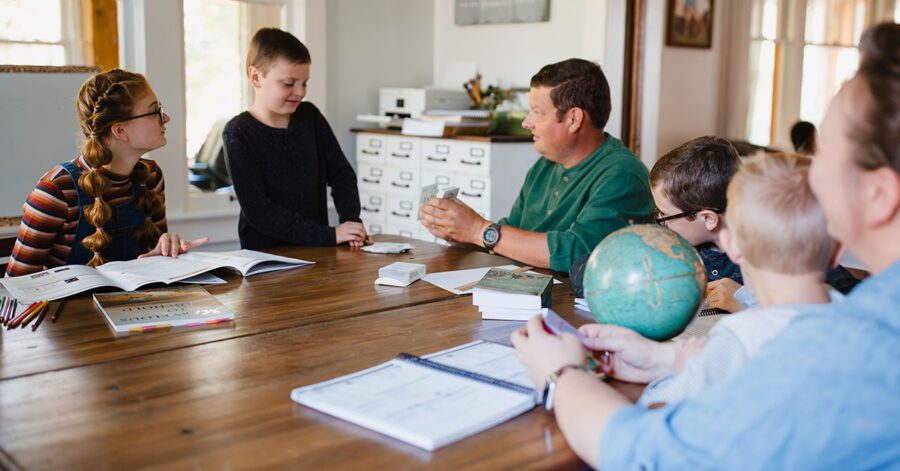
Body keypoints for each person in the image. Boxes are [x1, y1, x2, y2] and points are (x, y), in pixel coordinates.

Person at [511, 22, 900, 468]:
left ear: (879, 195)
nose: (807, 171)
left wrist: (561, 373)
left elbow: (647, 455)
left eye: (823, 152)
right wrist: (665, 359)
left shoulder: (857, 348)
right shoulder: (861, 320)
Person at [625, 152, 843, 407]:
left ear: (731, 245)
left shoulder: (739, 338)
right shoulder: (852, 319)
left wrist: (681, 365)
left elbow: (653, 406)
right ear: (838, 251)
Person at [419, 59, 654, 272]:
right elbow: (511, 233)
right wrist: (458, 232)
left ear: (574, 119)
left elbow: (579, 252)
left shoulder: (623, 175)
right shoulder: (544, 166)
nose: (526, 122)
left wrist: (478, 230)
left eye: (537, 112)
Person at [5, 69, 207, 277]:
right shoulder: (56, 192)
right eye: (154, 111)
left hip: (135, 307)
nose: (165, 118)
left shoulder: (151, 176)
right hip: (74, 310)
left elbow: (152, 265)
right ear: (120, 131)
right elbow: (17, 287)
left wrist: (165, 250)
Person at [222, 27, 369, 250]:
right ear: (255, 77)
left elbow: (341, 174)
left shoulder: (311, 117)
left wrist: (351, 223)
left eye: (305, 83)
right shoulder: (238, 133)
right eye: (289, 83)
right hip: (265, 258)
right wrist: (328, 235)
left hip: (317, 252)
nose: (300, 92)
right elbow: (260, 211)